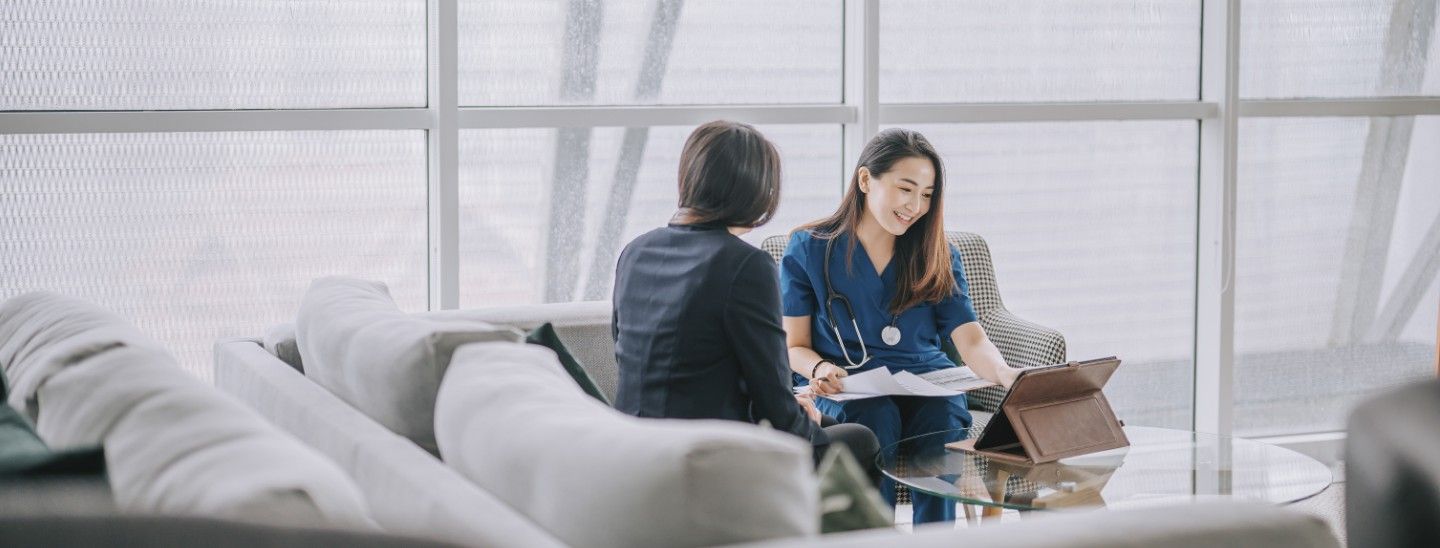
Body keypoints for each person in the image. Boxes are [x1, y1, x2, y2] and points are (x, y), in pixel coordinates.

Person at [780, 128, 1021, 524]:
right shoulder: (809, 249)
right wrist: (820, 369)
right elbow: (795, 346)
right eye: (905, 189)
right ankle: (873, 535)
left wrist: (1003, 372)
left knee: (942, 420)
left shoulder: (938, 253)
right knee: (875, 420)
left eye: (927, 195)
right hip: (849, 385)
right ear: (864, 180)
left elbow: (970, 336)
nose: (915, 206)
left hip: (927, 380)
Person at [612, 120, 880, 475]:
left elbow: (644, 359)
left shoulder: (636, 251)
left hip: (633, 443)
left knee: (825, 427)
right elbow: (772, 399)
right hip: (706, 453)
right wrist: (803, 419)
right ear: (757, 190)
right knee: (861, 441)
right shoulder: (745, 265)